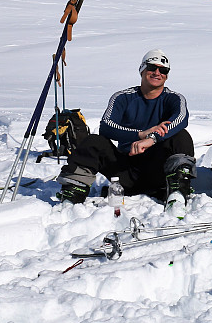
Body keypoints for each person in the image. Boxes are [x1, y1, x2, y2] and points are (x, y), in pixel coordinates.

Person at [57, 49, 195, 215]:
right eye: (152, 67)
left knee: (181, 137)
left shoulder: (174, 98)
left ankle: (177, 196)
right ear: (142, 69)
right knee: (94, 141)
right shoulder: (123, 97)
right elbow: (106, 127)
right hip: (124, 172)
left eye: (163, 70)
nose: (157, 73)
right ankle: (72, 198)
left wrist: (151, 139)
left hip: (159, 171)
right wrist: (140, 134)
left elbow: (181, 119)